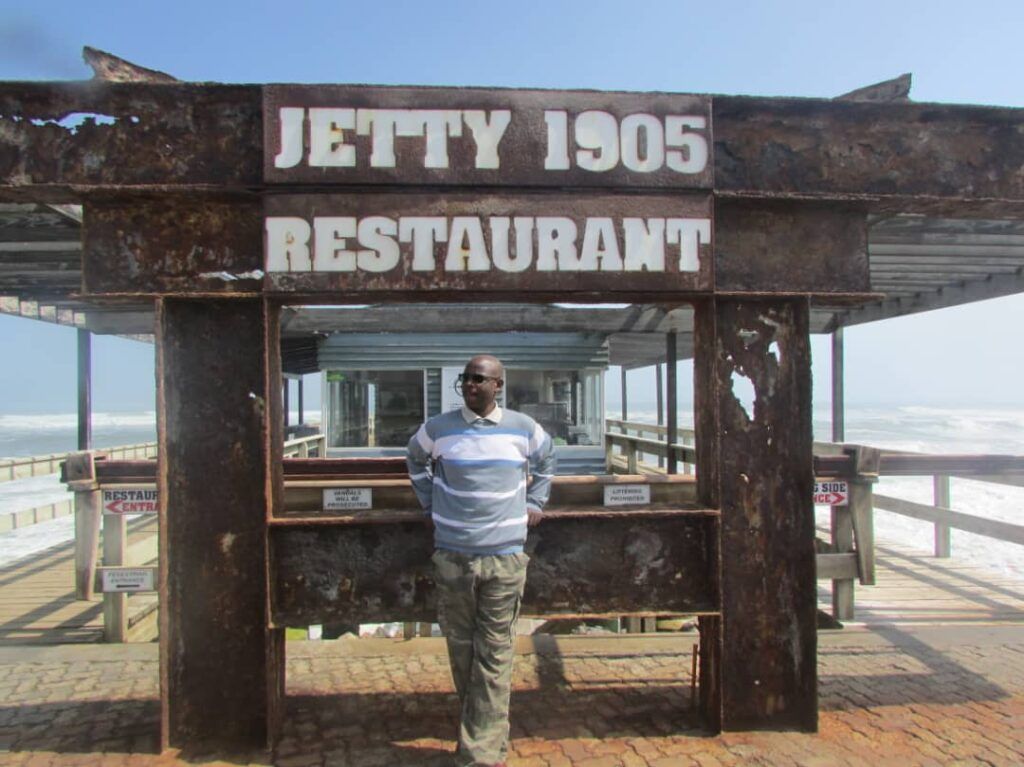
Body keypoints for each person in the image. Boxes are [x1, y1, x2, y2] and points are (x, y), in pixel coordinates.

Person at [407, 354, 556, 767]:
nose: (471, 385)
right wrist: (429, 500)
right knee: (462, 651)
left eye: (479, 379)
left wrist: (536, 500)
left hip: (505, 558)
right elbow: (414, 460)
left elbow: (547, 460)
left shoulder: (523, 429)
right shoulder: (437, 429)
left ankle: (481, 755)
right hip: (453, 557)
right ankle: (480, 735)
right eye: (465, 379)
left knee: (494, 654)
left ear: (498, 386)